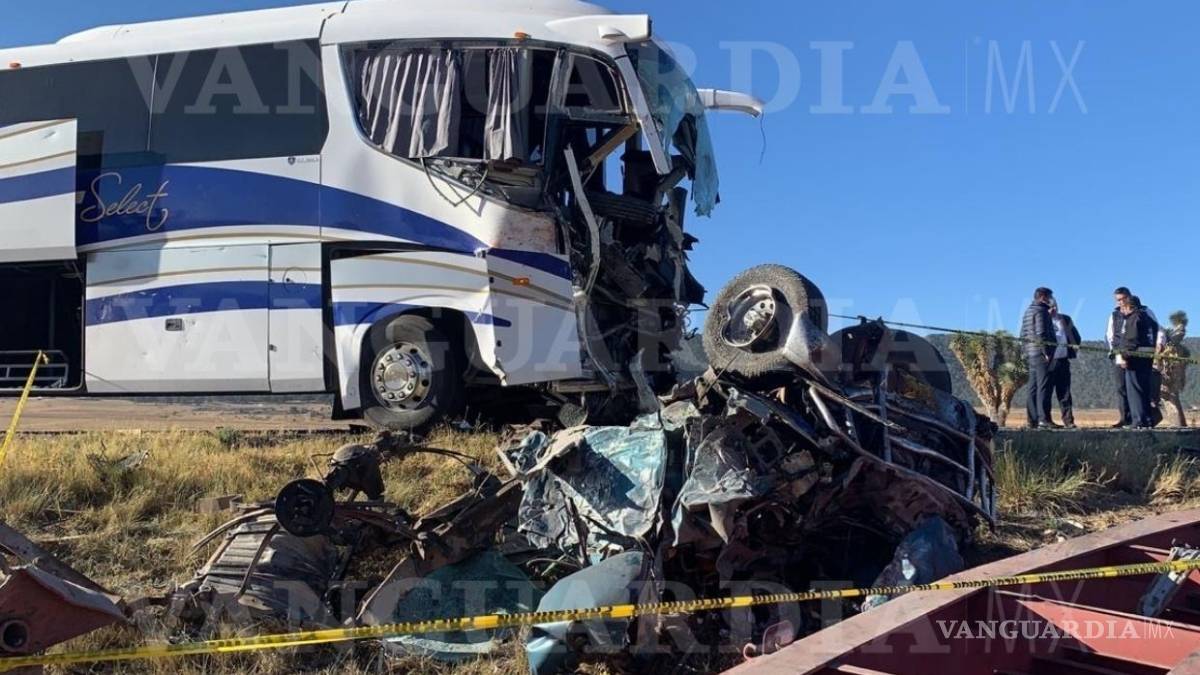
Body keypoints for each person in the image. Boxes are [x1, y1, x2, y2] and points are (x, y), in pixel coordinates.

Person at [1119, 296, 1161, 429]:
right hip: (1148, 358)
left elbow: (1131, 340)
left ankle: (1138, 421)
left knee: (1134, 390)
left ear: (1128, 307)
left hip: (1135, 359)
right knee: (1144, 389)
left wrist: (1124, 356)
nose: (1122, 311)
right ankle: (1148, 419)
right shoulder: (1150, 320)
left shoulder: (1134, 318)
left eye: (1123, 307)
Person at [1021, 288, 1059, 429]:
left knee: (1033, 386)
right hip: (1040, 353)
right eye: (1049, 297)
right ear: (1043, 297)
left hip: (1031, 353)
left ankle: (1032, 419)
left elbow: (1023, 334)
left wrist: (1025, 351)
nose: (1051, 300)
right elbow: (1041, 333)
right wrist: (1046, 351)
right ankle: (1044, 419)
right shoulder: (1041, 311)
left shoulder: (1028, 311)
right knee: (1043, 386)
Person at [1048, 299, 1082, 428]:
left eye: (1054, 306)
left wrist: (1073, 349)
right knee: (1046, 392)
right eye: (1049, 307)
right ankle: (1045, 420)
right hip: (1047, 362)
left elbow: (1076, 337)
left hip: (1062, 360)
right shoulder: (1042, 320)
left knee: (1065, 393)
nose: (1053, 309)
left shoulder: (1065, 319)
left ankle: (1069, 421)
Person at [1156, 311, 1190, 428]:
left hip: (1169, 375)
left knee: (1170, 398)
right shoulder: (1174, 348)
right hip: (1170, 374)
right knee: (1170, 397)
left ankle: (1178, 425)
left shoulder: (1175, 349)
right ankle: (1179, 424)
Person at [1106, 287, 1133, 428]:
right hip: (1118, 355)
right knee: (1121, 387)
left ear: (1129, 297)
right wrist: (1117, 355)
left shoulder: (1142, 312)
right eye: (1118, 300)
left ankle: (1137, 418)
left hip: (1136, 355)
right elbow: (1110, 336)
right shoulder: (1114, 315)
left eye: (1123, 299)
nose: (1121, 302)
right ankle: (1124, 418)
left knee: (1135, 387)